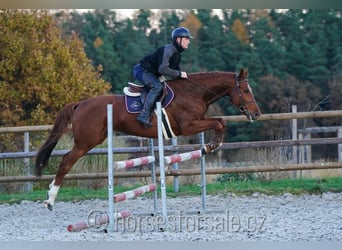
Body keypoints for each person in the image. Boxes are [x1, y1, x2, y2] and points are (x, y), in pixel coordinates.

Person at [132, 27, 193, 127]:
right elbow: (163, 69)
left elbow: (175, 73)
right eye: (187, 39)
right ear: (178, 39)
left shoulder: (177, 55)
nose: (188, 42)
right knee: (157, 87)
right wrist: (179, 74)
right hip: (142, 70)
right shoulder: (168, 50)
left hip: (152, 73)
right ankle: (144, 115)